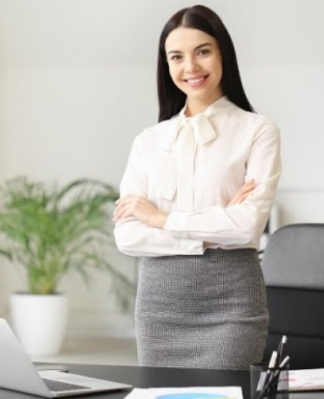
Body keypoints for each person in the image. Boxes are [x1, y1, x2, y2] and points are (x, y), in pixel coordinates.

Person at [112, 4, 282, 370]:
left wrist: (159, 218)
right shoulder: (148, 141)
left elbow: (248, 226)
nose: (191, 67)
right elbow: (127, 237)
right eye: (177, 57)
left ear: (223, 52)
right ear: (166, 65)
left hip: (232, 306)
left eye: (202, 51)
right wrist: (217, 225)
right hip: (159, 308)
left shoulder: (257, 131)